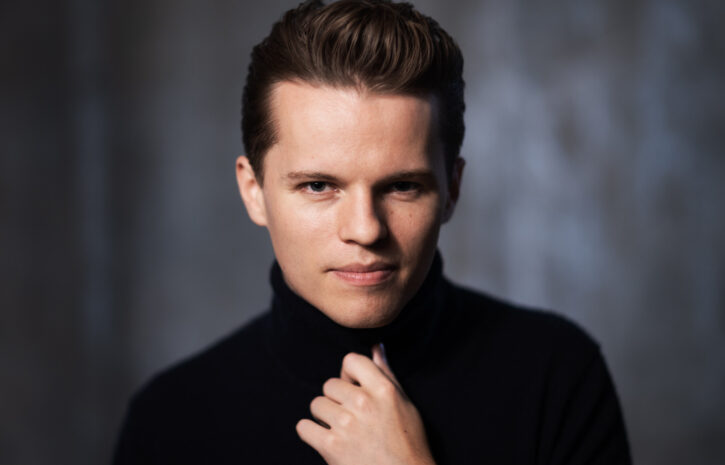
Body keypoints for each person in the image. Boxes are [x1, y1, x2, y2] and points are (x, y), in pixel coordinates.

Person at [113, 1, 632, 464]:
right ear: (254, 191)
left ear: (451, 190)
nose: (364, 229)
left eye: (402, 186)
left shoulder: (557, 377)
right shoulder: (169, 421)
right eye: (319, 186)